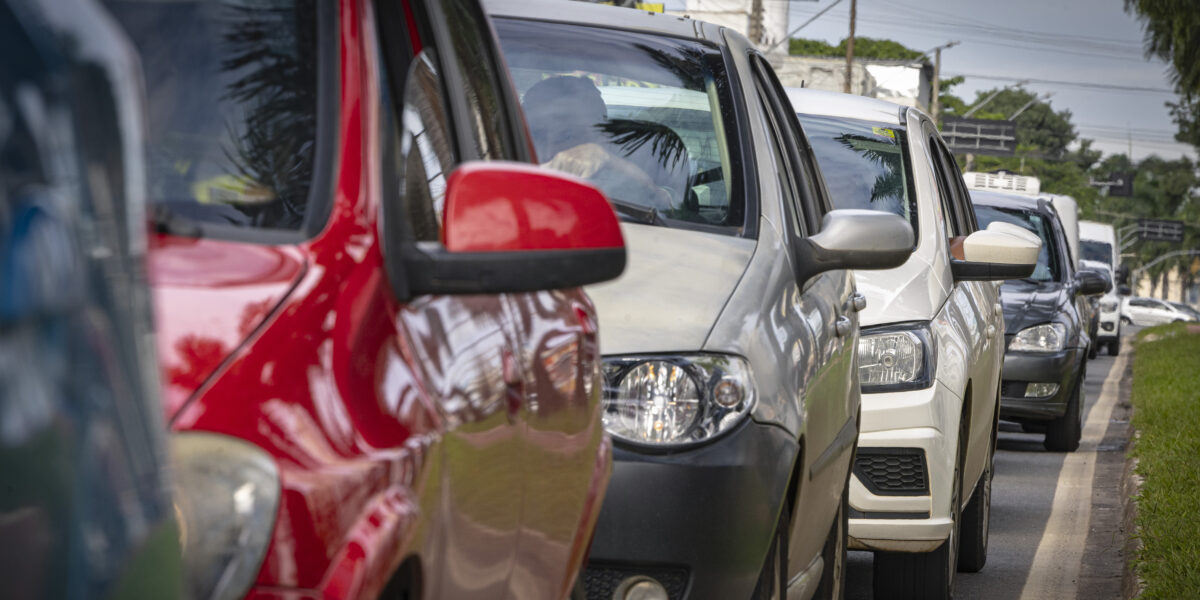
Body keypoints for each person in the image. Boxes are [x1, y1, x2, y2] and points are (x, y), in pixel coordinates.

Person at [521, 75, 683, 211]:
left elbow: (671, 210)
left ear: (602, 136)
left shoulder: (641, 165)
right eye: (537, 134)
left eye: (567, 135)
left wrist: (610, 162)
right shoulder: (509, 164)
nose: (549, 150)